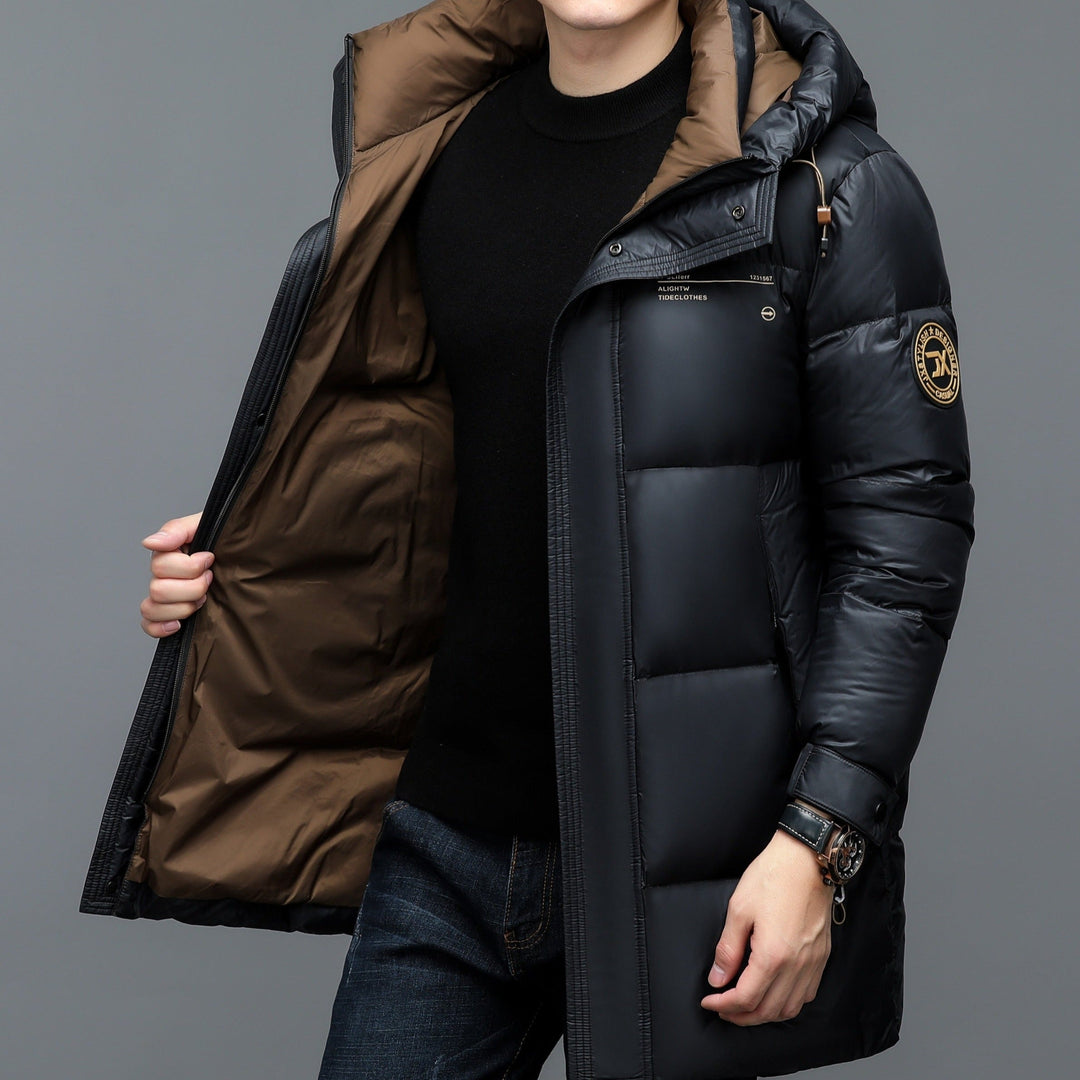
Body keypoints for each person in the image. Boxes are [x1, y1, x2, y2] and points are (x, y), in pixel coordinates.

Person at [94, 1, 974, 1078]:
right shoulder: (434, 152)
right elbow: (423, 467)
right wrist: (252, 560)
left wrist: (819, 838)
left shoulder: (826, 184)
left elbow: (904, 541)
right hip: (448, 838)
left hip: (700, 859)